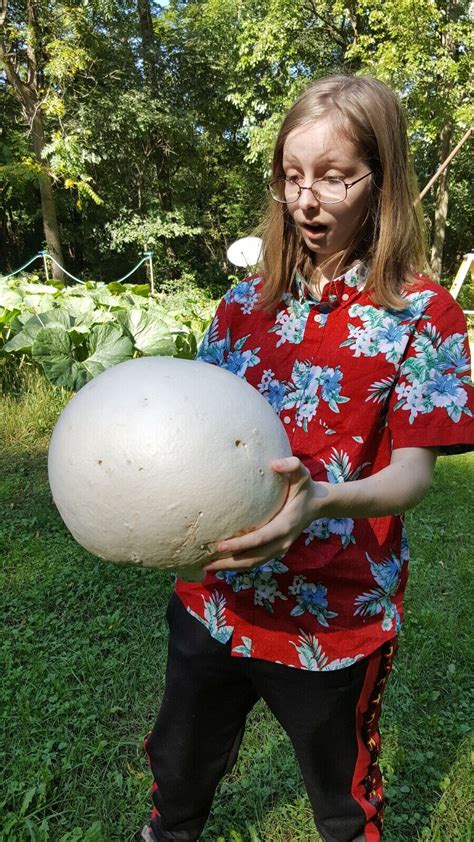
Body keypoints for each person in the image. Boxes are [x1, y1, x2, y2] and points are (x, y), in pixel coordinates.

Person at [141, 75, 474, 842]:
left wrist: (321, 500)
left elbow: (412, 476)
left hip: (335, 617)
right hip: (215, 599)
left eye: (333, 177)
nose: (306, 199)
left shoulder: (423, 314)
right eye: (292, 176)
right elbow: (195, 434)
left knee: (340, 799)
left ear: (382, 180)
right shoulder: (243, 304)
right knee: (179, 767)